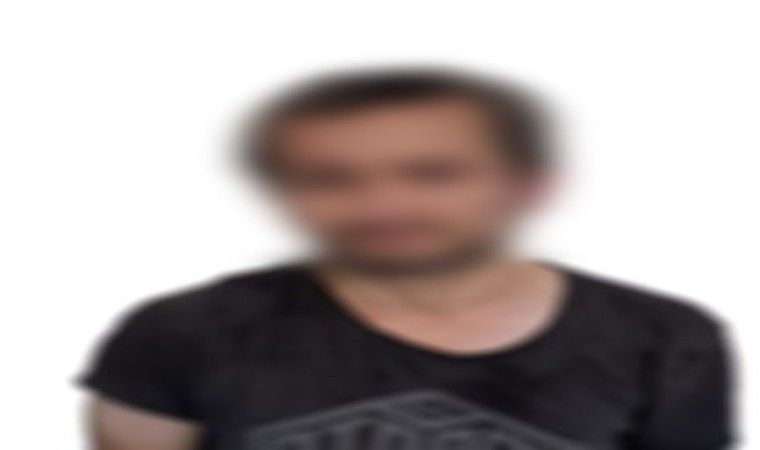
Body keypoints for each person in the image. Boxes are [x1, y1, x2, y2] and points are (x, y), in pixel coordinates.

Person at [79, 69, 733, 450]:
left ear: (527, 183)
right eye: (330, 178)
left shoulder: (665, 337)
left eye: (433, 173)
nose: (384, 206)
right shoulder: (180, 331)